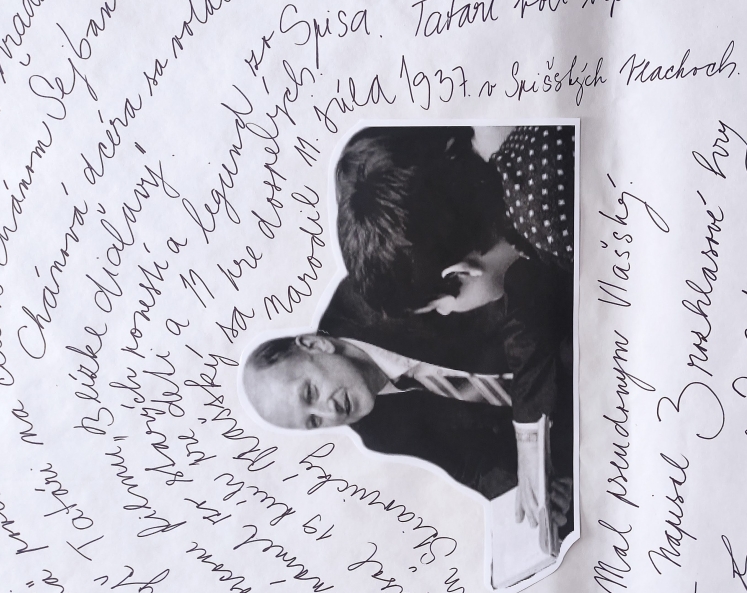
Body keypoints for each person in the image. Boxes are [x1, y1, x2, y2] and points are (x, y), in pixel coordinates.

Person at [331, 125, 575, 482]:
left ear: (460, 273)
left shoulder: (553, 227)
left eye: (438, 307)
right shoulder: (523, 168)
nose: (445, 313)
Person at [242, 330, 567, 551]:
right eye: (314, 422)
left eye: (309, 393)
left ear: (315, 345)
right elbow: (476, 469)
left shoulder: (380, 286)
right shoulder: (378, 434)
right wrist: (538, 495)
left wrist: (530, 437)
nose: (329, 414)